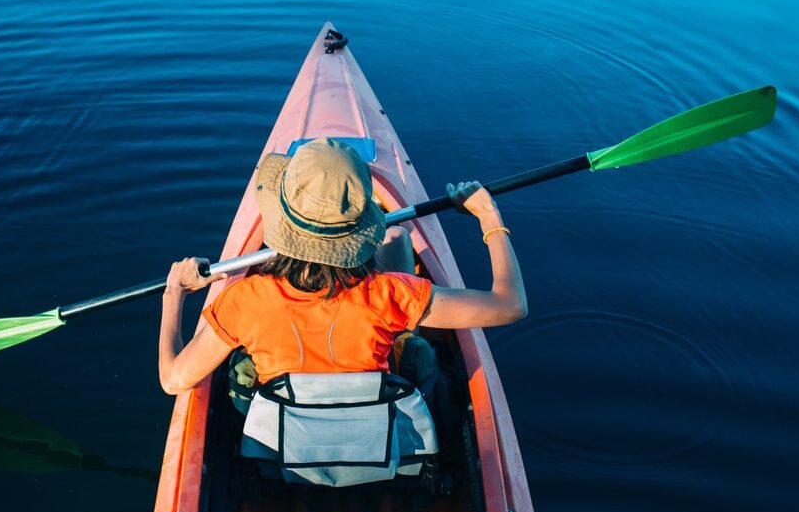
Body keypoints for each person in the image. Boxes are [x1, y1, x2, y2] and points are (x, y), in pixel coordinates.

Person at [158, 137, 527, 399]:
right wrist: (488, 216)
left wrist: (174, 294)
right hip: (377, 446)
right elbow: (510, 305)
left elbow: (173, 380)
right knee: (397, 239)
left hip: (283, 455)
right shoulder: (392, 294)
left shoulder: (243, 301)